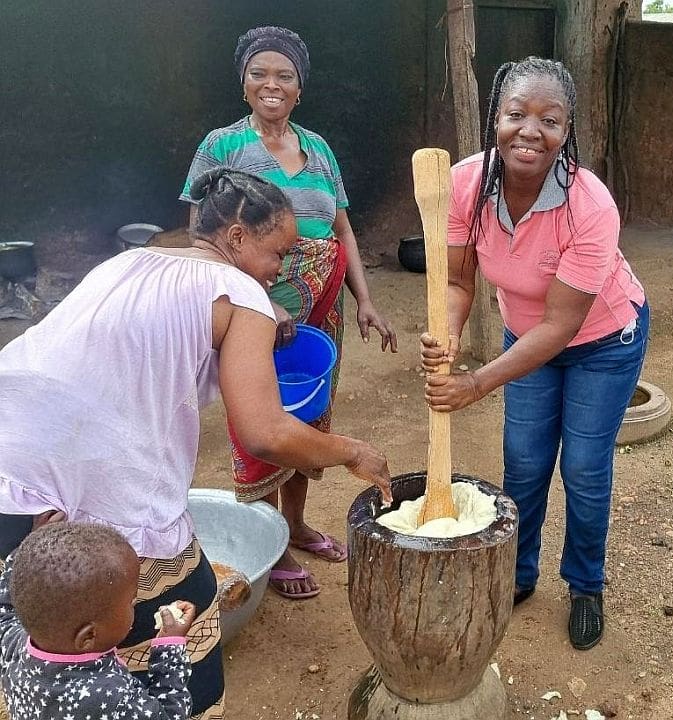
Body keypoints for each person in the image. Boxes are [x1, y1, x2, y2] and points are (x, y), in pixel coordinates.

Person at [0, 168, 392, 718]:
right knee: (186, 619)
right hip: (86, 466)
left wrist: (259, 312)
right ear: (236, 238)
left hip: (11, 448)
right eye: (277, 253)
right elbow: (267, 433)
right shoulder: (243, 293)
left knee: (39, 622)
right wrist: (352, 451)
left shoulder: (136, 257)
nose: (280, 269)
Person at [420, 57, 649, 651]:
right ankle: (518, 576)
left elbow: (561, 324)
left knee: (582, 467)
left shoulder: (589, 206)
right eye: (516, 114)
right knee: (522, 463)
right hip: (527, 337)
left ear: (567, 130)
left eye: (549, 120)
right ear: (495, 118)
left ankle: (585, 586)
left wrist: (475, 384)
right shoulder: (464, 185)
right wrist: (446, 332)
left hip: (602, 342)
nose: (530, 130)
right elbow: (459, 281)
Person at [181, 26, 397, 600]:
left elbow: (342, 227)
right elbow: (203, 236)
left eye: (285, 76)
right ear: (244, 82)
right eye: (259, 73)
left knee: (309, 418)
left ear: (300, 88)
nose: (271, 84)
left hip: (321, 311)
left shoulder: (319, 149)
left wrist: (366, 300)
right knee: (261, 423)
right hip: (252, 309)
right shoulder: (221, 147)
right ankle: (268, 541)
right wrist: (260, 295)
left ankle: (296, 525)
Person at [1, 521, 194, 720]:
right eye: (131, 601)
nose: (135, 603)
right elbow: (171, 716)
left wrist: (31, 550)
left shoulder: (11, 644)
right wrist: (169, 648)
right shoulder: (115, 698)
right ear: (88, 636)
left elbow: (4, 608)